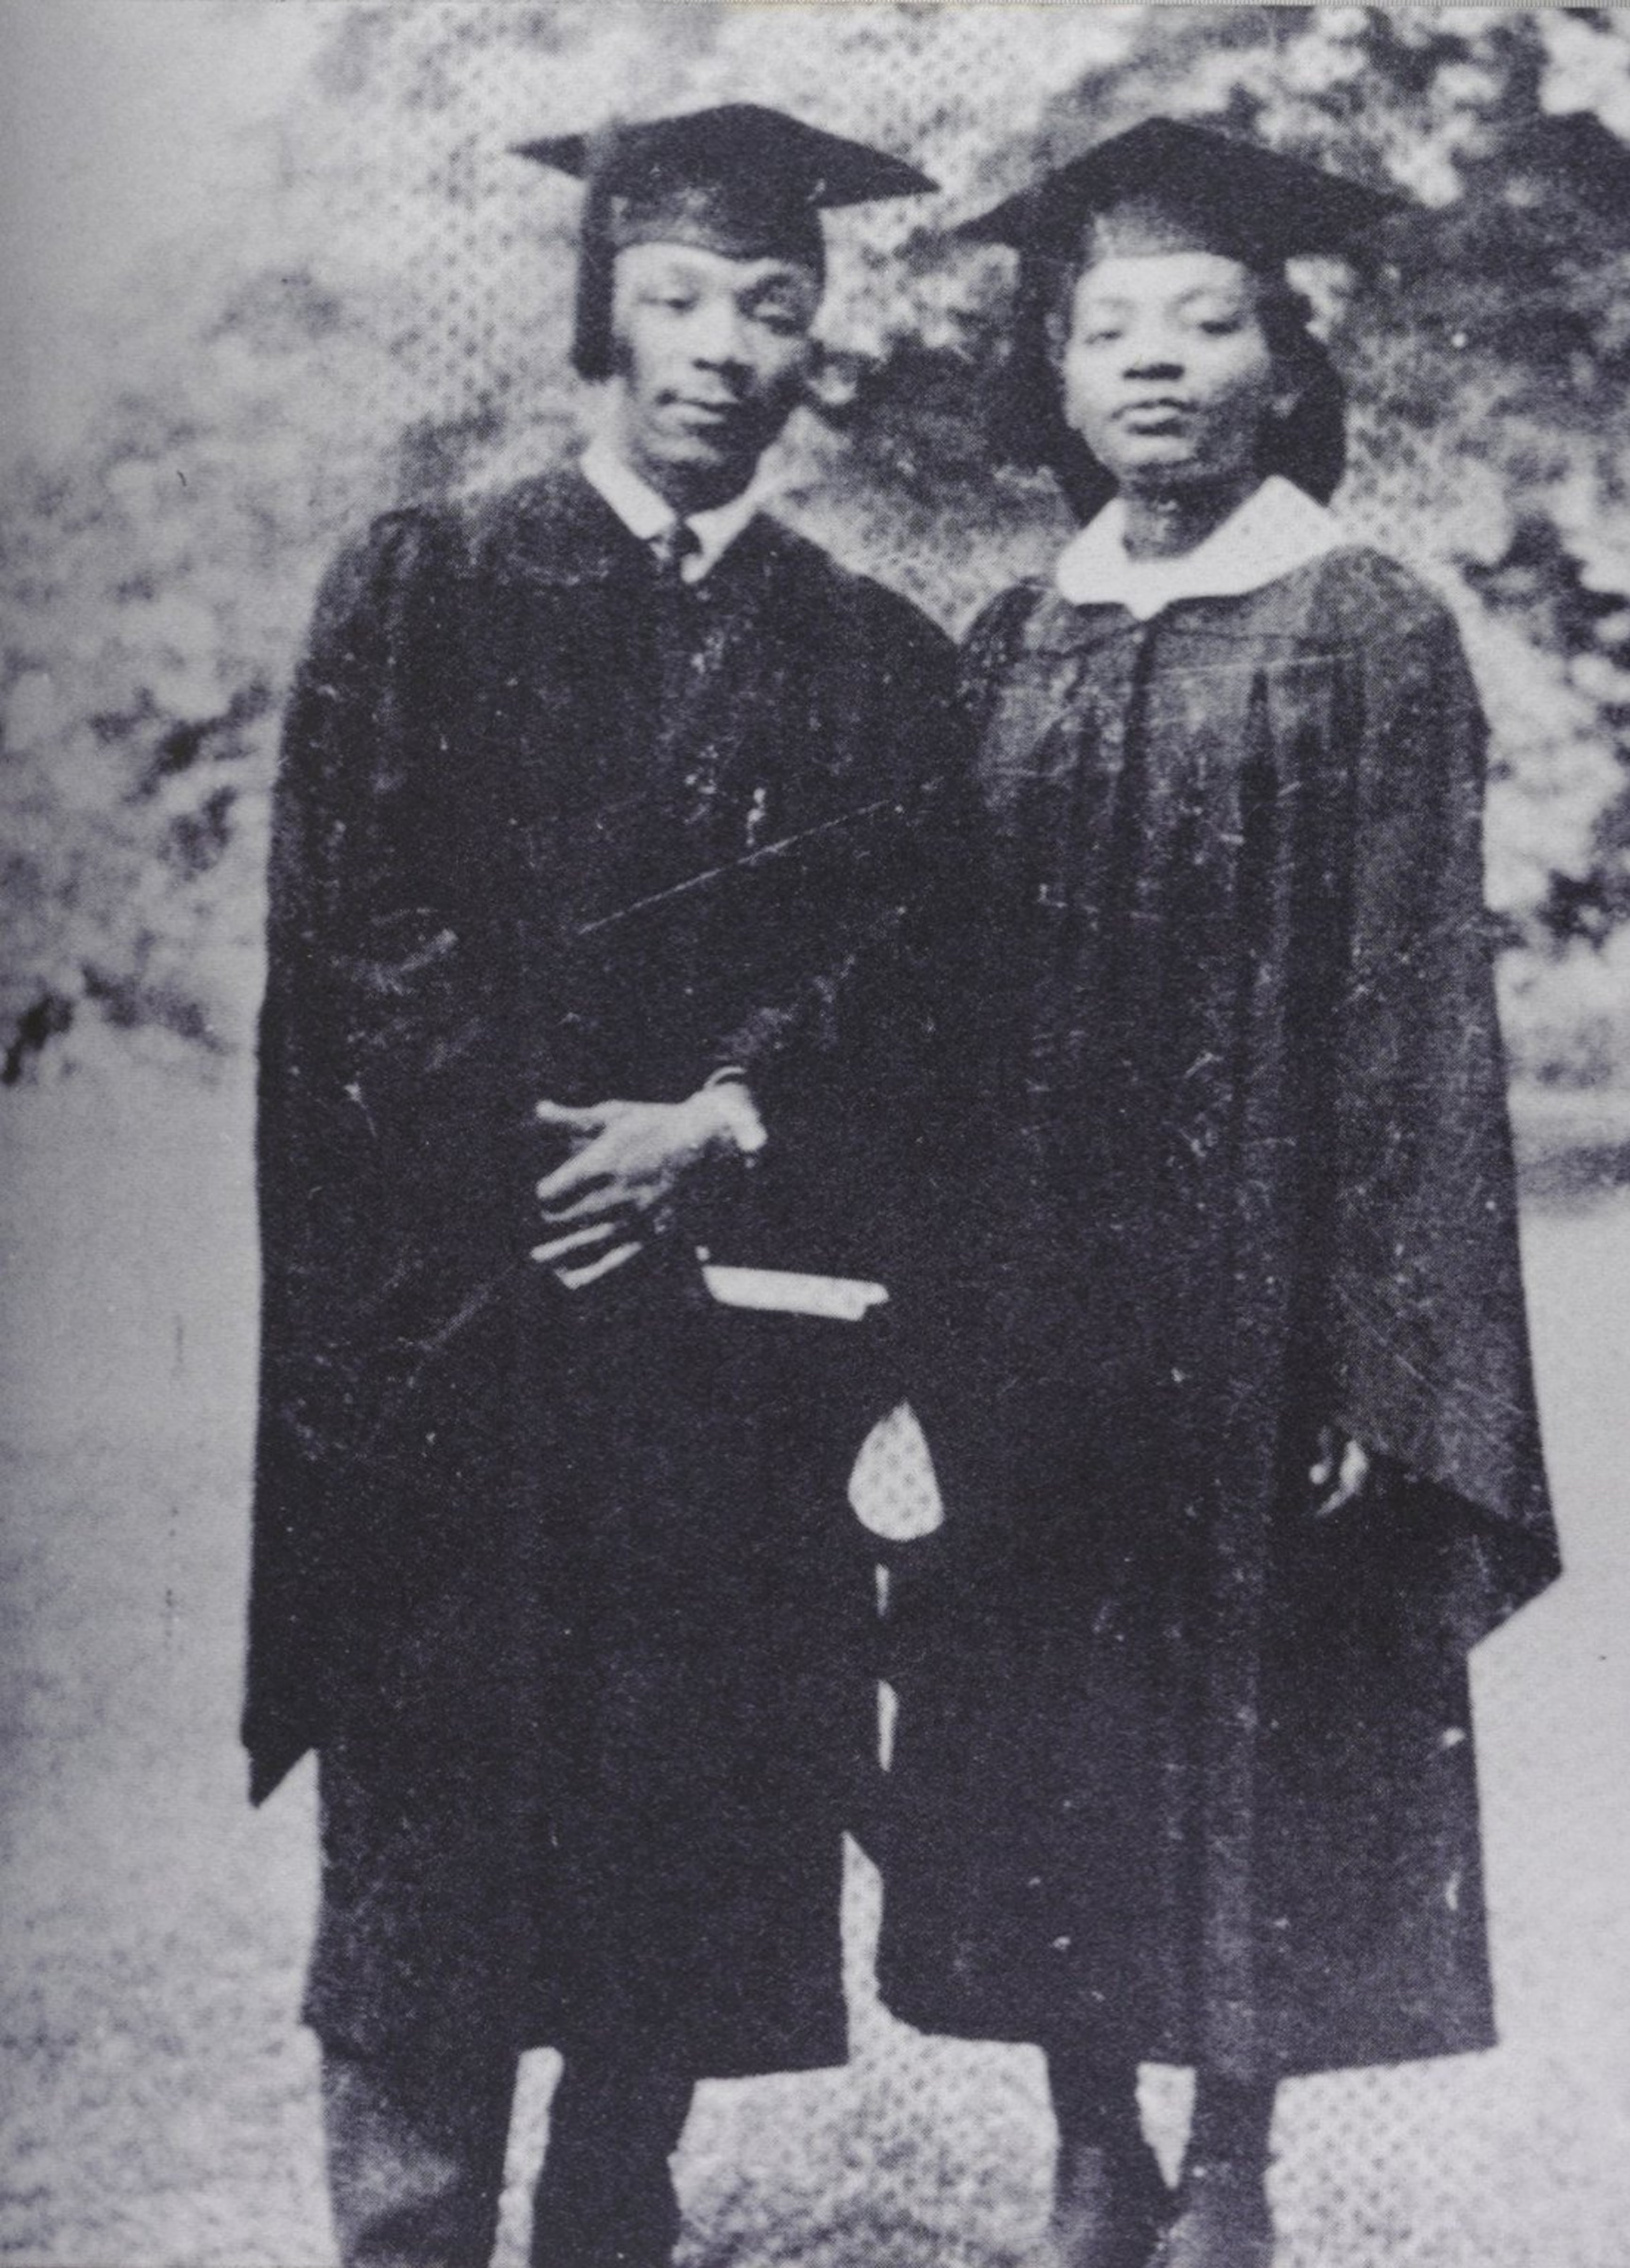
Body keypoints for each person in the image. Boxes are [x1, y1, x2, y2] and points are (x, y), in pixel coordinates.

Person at [246, 104, 955, 2268]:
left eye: (772, 302)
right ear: (601, 315)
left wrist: (717, 1131)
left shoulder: (876, 654)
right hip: (461, 1341)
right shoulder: (430, 580)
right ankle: (409, 2232)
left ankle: (614, 2225)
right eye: (676, 297)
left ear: (817, 337)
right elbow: (352, 939)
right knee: (442, 1854)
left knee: (675, 1850)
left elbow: (907, 975)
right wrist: (558, 1168)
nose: (725, 346)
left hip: (720, 1366)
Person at [878, 119, 1563, 2268]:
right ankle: (1095, 2139)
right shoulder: (1005, 637)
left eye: (1209, 320)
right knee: (1046, 1704)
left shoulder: (1367, 624)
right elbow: (924, 1002)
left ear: (1285, 355)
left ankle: (1239, 2155)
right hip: (1034, 1302)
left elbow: (1422, 1010)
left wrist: (1391, 1333)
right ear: (1053, 375)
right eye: (1108, 329)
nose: (1156, 364)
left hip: (1271, 1294)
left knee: (1262, 1712)